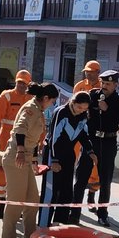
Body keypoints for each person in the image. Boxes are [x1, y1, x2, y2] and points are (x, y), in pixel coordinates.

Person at [0, 82, 58, 238]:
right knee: (16, 200)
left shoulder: (38, 110)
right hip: (16, 158)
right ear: (46, 98)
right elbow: (20, 130)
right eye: (52, 101)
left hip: (25, 159)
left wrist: (33, 161)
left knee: (32, 199)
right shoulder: (31, 109)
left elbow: (31, 141)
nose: (52, 105)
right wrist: (19, 152)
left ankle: (29, 237)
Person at [76, 70, 119, 227]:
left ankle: (102, 214)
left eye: (108, 84)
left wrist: (108, 109)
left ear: (115, 84)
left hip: (108, 141)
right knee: (81, 177)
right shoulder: (92, 95)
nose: (104, 86)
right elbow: (81, 113)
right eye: (103, 83)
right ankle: (74, 211)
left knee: (105, 180)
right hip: (91, 140)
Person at [42, 92, 96, 226]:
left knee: (66, 191)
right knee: (52, 191)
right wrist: (54, 160)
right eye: (79, 107)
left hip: (69, 155)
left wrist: (90, 151)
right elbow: (54, 137)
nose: (81, 111)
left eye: (84, 109)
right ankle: (43, 224)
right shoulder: (61, 112)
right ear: (73, 102)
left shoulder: (83, 116)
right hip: (53, 154)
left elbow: (83, 134)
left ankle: (59, 222)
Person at [0, 69, 33, 220]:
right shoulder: (6, 96)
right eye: (19, 83)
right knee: (2, 171)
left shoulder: (31, 99)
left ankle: (17, 209)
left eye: (24, 84)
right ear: (15, 82)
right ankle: (1, 208)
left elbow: (39, 122)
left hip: (25, 140)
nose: (21, 86)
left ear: (28, 84)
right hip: (6, 138)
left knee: (21, 173)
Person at [73, 60, 103, 206]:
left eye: (92, 72)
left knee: (95, 163)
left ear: (98, 73)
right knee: (73, 156)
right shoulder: (79, 86)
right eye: (87, 72)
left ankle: (92, 192)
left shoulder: (103, 87)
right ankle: (74, 191)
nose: (89, 74)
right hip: (78, 127)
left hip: (94, 129)